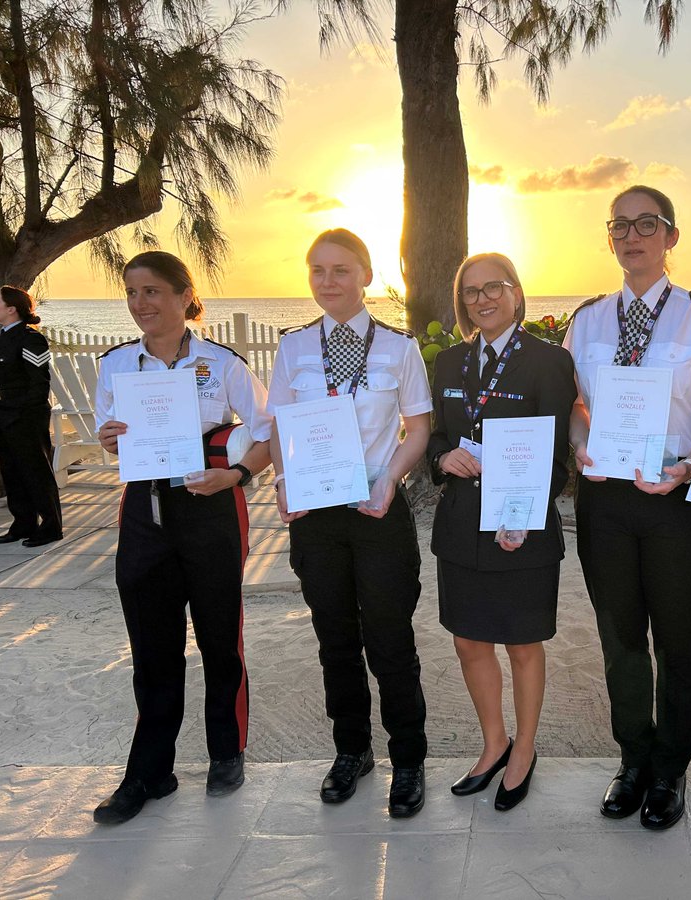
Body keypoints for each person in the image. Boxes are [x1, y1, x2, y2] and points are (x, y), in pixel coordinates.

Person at [564, 185, 691, 830]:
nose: (632, 235)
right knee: (619, 636)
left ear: (671, 237)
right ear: (609, 238)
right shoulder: (586, 321)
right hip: (606, 500)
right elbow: (577, 409)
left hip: (678, 500)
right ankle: (633, 756)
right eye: (620, 225)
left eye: (647, 224)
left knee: (679, 635)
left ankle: (671, 766)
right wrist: (580, 448)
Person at [92, 252, 273, 824]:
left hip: (210, 507)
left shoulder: (221, 365)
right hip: (145, 511)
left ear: (182, 294)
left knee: (220, 637)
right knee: (152, 647)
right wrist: (111, 439)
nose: (141, 304)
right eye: (131, 293)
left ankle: (226, 752)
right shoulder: (118, 365)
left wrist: (238, 476)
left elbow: (269, 434)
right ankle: (150, 771)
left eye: (152, 291)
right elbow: (107, 437)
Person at [268, 228, 430, 818]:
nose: (328, 281)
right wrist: (284, 484)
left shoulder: (397, 349)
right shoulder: (292, 350)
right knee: (335, 638)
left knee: (390, 639)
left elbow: (419, 429)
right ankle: (352, 751)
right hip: (317, 515)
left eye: (341, 270)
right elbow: (280, 428)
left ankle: (408, 758)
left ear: (365, 274)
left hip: (378, 510)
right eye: (317, 271)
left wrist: (391, 479)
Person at [427, 253, 576, 812]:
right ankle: (493, 744)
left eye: (494, 287)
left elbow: (558, 460)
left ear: (516, 292)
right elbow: (438, 440)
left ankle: (525, 750)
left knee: (521, 644)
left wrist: (524, 512)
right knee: (469, 642)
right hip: (462, 526)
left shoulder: (548, 362)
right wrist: (445, 461)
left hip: (523, 527)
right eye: (470, 292)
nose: (482, 299)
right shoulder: (449, 362)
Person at [0, 287, 62, 547]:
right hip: (0, 412)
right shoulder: (0, 338)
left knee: (36, 471)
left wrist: (26, 414)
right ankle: (23, 523)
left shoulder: (30, 339)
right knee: (12, 470)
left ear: (11, 308)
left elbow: (39, 383)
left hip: (24, 415)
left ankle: (50, 526)